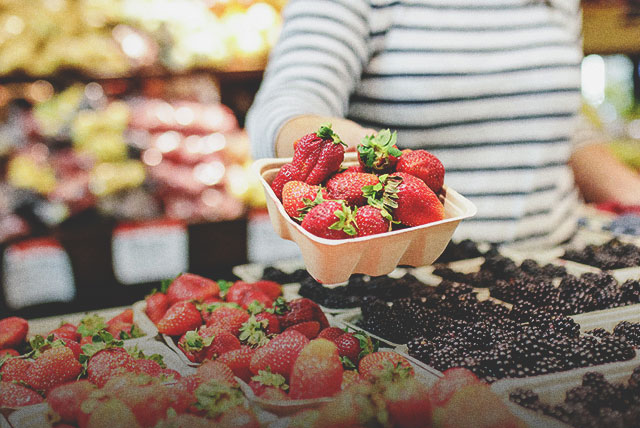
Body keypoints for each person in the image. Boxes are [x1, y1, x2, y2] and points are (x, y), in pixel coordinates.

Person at [246, 0, 640, 247]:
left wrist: (632, 194)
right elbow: (280, 112)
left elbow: (550, 120)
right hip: (404, 290)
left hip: (551, 272)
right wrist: (372, 154)